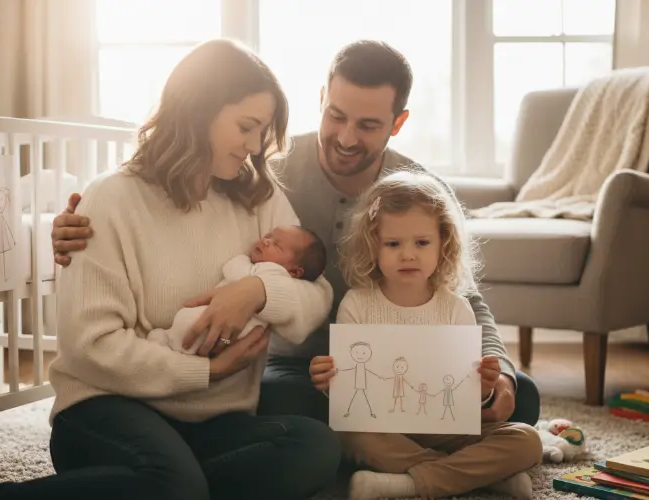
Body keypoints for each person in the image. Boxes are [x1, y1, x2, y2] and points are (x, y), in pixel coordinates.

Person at [0, 38, 340, 500]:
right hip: (109, 410)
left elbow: (318, 295)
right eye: (247, 127)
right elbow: (93, 345)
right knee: (174, 486)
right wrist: (204, 373)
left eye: (263, 131)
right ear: (199, 111)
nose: (256, 146)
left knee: (314, 446)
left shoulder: (258, 197)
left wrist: (257, 291)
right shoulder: (111, 198)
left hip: (213, 421)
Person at [51, 39, 541, 428]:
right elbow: (159, 190)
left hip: (410, 356)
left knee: (522, 395)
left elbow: (465, 294)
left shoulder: (421, 190)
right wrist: (79, 219)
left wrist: (496, 367)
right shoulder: (263, 175)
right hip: (301, 366)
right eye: (337, 116)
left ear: (399, 123)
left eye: (369, 125)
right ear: (322, 99)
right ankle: (393, 442)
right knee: (291, 408)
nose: (347, 138)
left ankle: (390, 440)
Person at [310, 171, 541, 500]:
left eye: (421, 242)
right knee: (349, 435)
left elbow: (466, 398)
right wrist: (329, 382)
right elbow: (350, 397)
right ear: (373, 246)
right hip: (383, 429)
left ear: (442, 243)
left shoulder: (456, 307)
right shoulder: (357, 304)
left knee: (527, 439)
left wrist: (485, 389)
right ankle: (480, 477)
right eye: (393, 244)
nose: (408, 254)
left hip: (446, 427)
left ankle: (408, 483)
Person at [148, 224, 327, 354]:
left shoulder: (271, 271)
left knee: (186, 325)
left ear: (295, 271)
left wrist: (243, 262)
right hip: (233, 340)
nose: (265, 241)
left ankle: (168, 342)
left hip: (217, 329)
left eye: (276, 245)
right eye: (268, 235)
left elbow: (234, 273)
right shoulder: (277, 271)